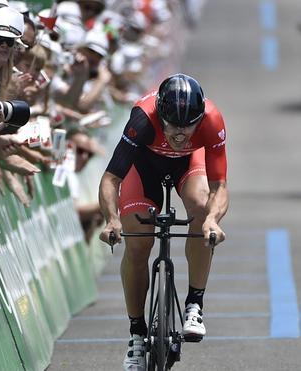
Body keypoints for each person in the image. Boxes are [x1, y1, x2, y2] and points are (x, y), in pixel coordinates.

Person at [97, 74, 228, 370]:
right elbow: (111, 178)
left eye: (188, 126)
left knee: (200, 207)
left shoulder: (212, 119)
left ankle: (195, 304)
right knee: (139, 242)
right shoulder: (143, 118)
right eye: (173, 126)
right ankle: (137, 335)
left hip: (187, 165)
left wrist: (213, 220)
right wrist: (111, 220)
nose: (180, 135)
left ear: (199, 118)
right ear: (161, 116)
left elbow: (220, 185)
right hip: (144, 167)